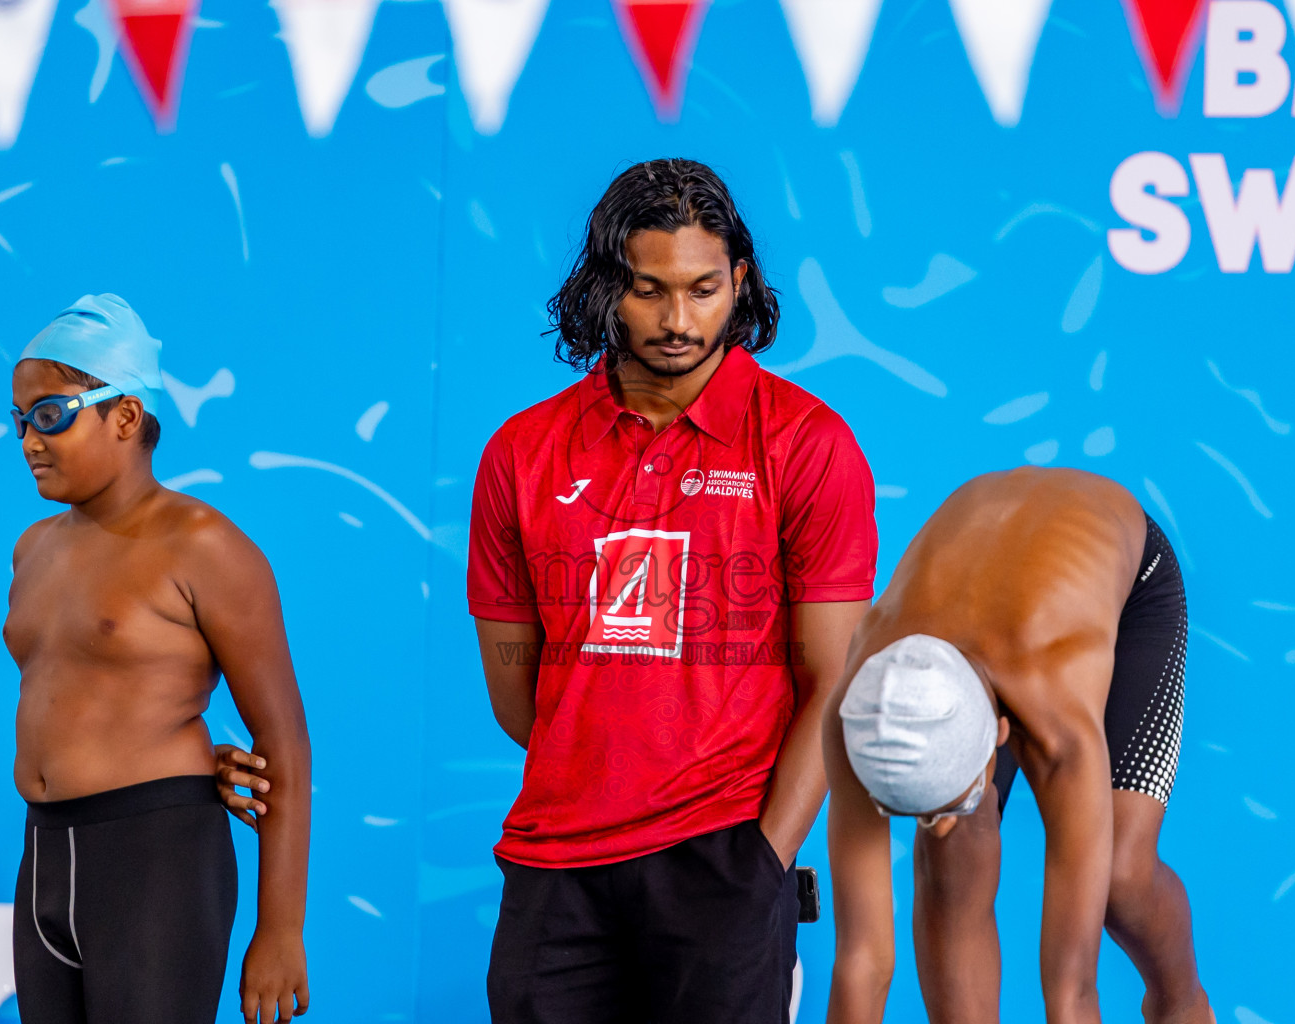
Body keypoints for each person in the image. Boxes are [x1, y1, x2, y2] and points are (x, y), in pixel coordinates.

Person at [468, 157, 876, 1023]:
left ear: (740, 282)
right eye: (650, 291)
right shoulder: (523, 452)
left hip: (722, 859)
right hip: (554, 868)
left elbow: (831, 683)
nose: (678, 321)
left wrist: (762, 861)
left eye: (701, 289)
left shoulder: (806, 444)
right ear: (607, 288)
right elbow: (517, 691)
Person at [4, 294, 312, 1024]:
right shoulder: (33, 548)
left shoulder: (205, 546)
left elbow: (284, 743)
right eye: (19, 420)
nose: (29, 440)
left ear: (126, 416)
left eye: (49, 415)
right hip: (44, 851)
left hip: (156, 857)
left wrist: (281, 929)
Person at [822, 467, 1213, 1024]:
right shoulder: (858, 715)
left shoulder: (1061, 722)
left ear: (1002, 733)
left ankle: (1182, 1005)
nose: (944, 818)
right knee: (951, 858)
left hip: (1123, 581)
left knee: (1121, 880)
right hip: (989, 569)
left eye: (952, 799)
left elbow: (1072, 993)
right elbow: (861, 961)